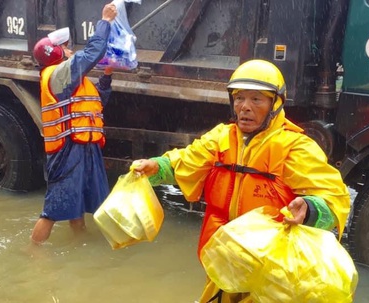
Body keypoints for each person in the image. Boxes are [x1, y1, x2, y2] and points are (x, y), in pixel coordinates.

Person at [132, 59, 351, 302]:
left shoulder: (295, 147)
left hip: (271, 271)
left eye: (256, 99)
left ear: (275, 104)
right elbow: (184, 162)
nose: (245, 107)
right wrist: (156, 167)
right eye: (239, 98)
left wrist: (310, 209)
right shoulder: (220, 138)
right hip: (224, 261)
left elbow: (335, 197)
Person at [30, 3, 118, 245]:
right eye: (65, 49)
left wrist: (107, 76)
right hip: (68, 150)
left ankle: (80, 240)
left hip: (82, 147)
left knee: (76, 203)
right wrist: (105, 21)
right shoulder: (58, 75)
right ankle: (34, 253)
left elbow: (97, 102)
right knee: (53, 209)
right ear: (55, 54)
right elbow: (92, 53)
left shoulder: (69, 79)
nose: (70, 52)